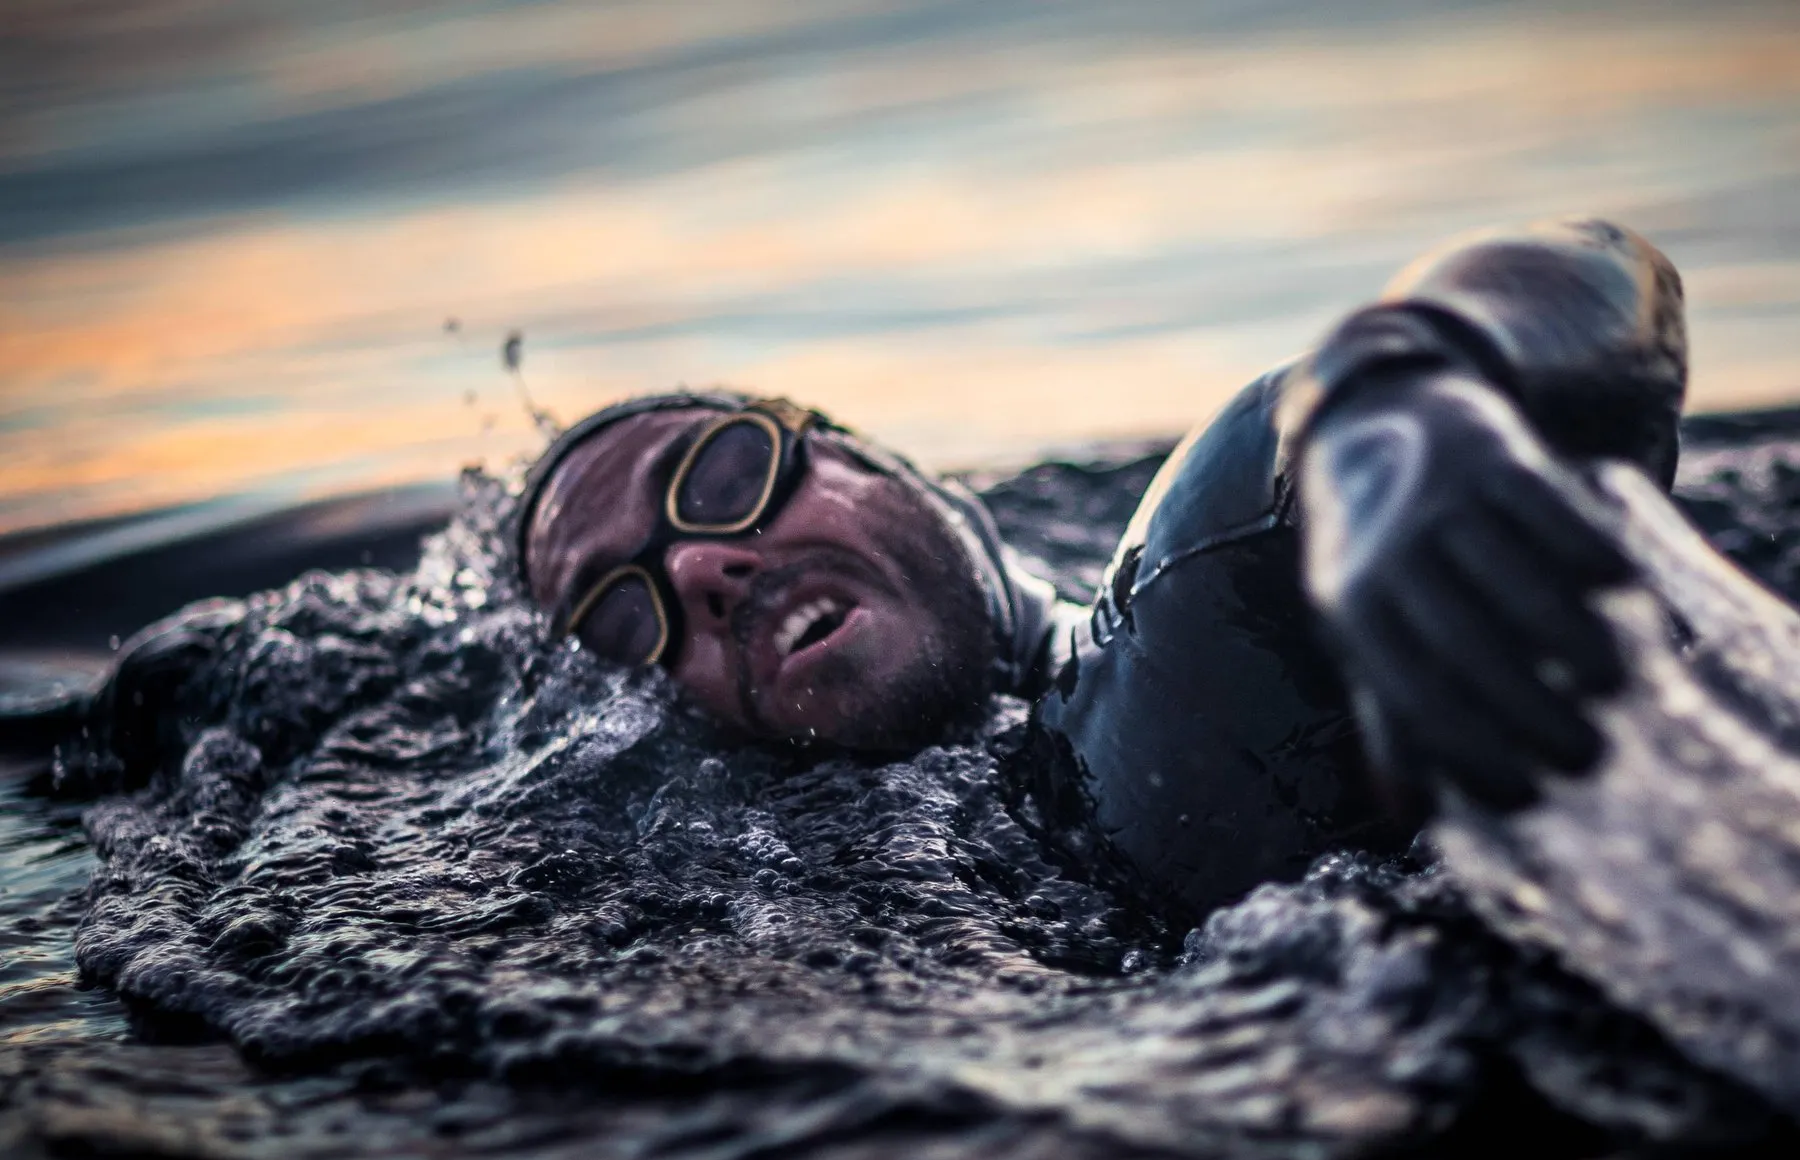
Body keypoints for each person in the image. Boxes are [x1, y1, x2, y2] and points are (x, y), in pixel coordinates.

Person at [515, 217, 1687, 922]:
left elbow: (1584, 279)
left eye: (723, 476)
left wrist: (1410, 427)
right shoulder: (745, 914)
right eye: (627, 614)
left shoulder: (1199, 589)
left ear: (884, 462)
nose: (708, 567)